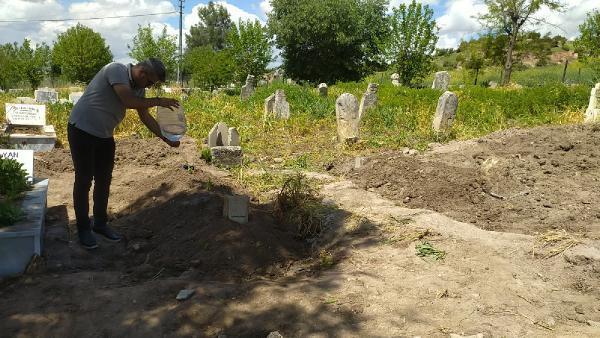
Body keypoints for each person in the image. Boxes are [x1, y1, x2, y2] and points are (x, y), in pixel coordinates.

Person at [68, 58, 179, 249]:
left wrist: (166, 138)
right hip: (82, 130)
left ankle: (100, 224)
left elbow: (145, 116)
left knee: (104, 180)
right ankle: (83, 229)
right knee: (84, 180)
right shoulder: (116, 70)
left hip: (104, 135)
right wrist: (160, 101)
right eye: (151, 82)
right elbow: (128, 101)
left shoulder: (139, 88)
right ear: (142, 73)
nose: (150, 86)